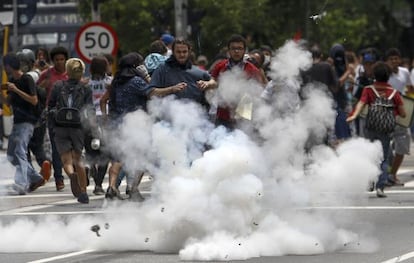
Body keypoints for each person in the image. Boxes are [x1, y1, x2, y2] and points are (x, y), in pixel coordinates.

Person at [346, 61, 406, 198]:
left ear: (374, 75)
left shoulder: (368, 89)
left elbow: (361, 103)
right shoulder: (394, 93)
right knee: (383, 158)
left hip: (371, 127)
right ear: (388, 76)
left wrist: (354, 115)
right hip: (386, 130)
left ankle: (369, 182)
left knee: (369, 156)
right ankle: (380, 187)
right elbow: (403, 114)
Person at [104, 52, 153, 200]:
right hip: (136, 124)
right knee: (141, 157)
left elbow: (108, 102)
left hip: (117, 124)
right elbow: (153, 92)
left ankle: (112, 186)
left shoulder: (116, 82)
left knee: (118, 158)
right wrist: (147, 77)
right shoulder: (137, 81)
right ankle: (133, 189)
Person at [48, 58, 94, 204]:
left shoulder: (58, 85)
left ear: (67, 71)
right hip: (77, 126)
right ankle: (84, 192)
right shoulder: (85, 88)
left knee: (66, 160)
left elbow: (50, 106)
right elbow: (90, 110)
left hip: (60, 125)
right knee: (78, 158)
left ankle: (71, 175)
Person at [1, 53, 47, 195]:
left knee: (19, 151)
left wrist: (16, 89)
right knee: (11, 155)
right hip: (17, 121)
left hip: (28, 122)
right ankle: (36, 177)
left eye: (5, 65)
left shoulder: (26, 79)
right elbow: (8, 103)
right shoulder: (12, 80)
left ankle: (21, 184)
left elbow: (33, 100)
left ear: (9, 66)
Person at [210, 34, 265, 130]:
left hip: (244, 119)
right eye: (233, 48)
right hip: (223, 117)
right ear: (229, 50)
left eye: (240, 48)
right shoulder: (220, 66)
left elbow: (258, 92)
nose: (236, 51)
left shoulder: (253, 70)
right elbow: (213, 81)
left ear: (244, 50)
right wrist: (207, 84)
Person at [148, 38, 217, 108]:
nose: (182, 55)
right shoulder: (162, 69)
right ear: (173, 52)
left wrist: (207, 84)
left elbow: (214, 82)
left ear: (189, 52)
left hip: (197, 115)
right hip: (169, 115)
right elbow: (151, 93)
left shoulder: (197, 71)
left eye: (184, 52)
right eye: (178, 52)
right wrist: (171, 89)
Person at [16, 49, 51, 183]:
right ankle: (44, 164)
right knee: (37, 147)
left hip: (26, 119)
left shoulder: (27, 77)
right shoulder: (39, 74)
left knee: (24, 149)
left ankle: (30, 176)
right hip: (39, 118)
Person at [37, 46, 69, 191]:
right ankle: (59, 178)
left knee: (73, 146)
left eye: (62, 59)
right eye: (57, 60)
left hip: (70, 115)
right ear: (53, 61)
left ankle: (78, 172)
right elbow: (36, 89)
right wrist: (43, 86)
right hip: (53, 115)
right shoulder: (47, 74)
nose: (59, 62)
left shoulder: (71, 72)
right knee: (56, 148)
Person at [386, 48, 414, 186]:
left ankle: (393, 174)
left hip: (403, 113)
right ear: (387, 61)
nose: (394, 61)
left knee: (402, 145)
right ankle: (385, 173)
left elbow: (410, 89)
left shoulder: (405, 72)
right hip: (386, 113)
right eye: (391, 59)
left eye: (396, 58)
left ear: (400, 59)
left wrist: (408, 101)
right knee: (385, 145)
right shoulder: (383, 73)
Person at [84, 56, 112, 195]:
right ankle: (99, 185)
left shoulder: (85, 83)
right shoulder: (111, 83)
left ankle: (89, 167)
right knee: (105, 154)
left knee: (91, 152)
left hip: (89, 120)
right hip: (106, 119)